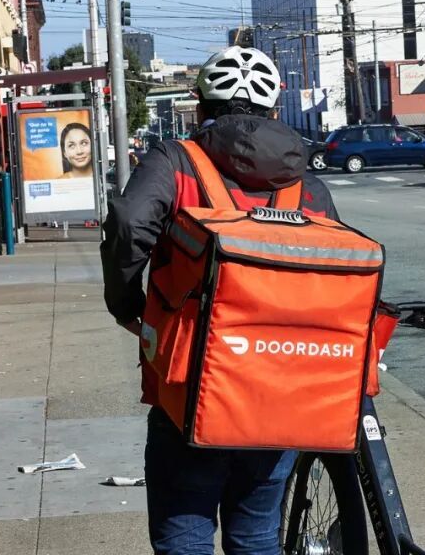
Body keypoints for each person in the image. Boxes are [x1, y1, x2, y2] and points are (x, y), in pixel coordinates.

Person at [100, 46, 339, 555]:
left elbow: (128, 224)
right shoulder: (304, 185)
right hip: (279, 390)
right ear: (275, 108)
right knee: (256, 536)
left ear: (198, 103)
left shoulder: (175, 162)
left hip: (192, 388)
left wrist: (127, 305)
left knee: (184, 536)